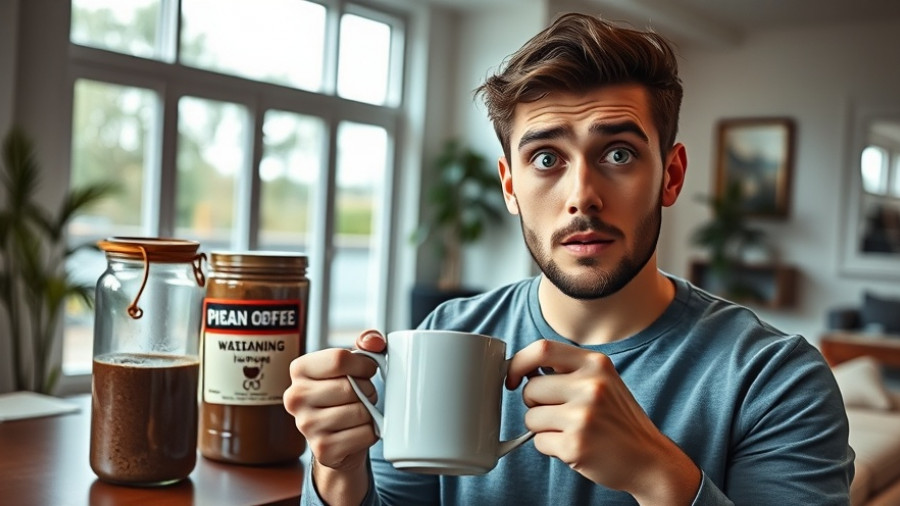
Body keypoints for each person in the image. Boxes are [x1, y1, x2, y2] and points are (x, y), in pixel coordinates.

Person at [284, 12, 854, 505]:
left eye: (619, 152)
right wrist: (336, 473)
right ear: (509, 186)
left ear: (671, 175)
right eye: (546, 159)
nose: (583, 194)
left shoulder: (775, 380)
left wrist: (658, 475)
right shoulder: (446, 336)